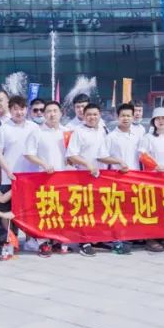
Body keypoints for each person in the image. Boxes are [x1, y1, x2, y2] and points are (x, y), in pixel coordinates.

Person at [24, 100, 69, 257]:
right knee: (44, 211)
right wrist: (43, 164)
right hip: (44, 178)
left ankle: (57, 240)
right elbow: (28, 153)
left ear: (61, 113)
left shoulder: (67, 132)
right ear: (44, 114)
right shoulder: (37, 132)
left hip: (64, 177)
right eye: (48, 111)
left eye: (55, 111)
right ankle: (43, 242)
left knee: (61, 210)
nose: (52, 114)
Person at [65, 102, 109, 257]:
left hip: (100, 176)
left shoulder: (102, 130)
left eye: (95, 114)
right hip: (83, 176)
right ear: (83, 116)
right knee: (84, 209)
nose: (92, 117)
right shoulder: (78, 131)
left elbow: (104, 154)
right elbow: (72, 155)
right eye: (89, 114)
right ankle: (84, 241)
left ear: (100, 115)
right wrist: (87, 164)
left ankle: (96, 238)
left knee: (98, 208)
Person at [138, 106, 164, 253]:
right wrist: (155, 166)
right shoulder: (147, 137)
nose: (161, 121)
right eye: (158, 119)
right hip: (152, 178)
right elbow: (142, 155)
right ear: (153, 121)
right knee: (152, 209)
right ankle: (150, 239)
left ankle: (162, 236)